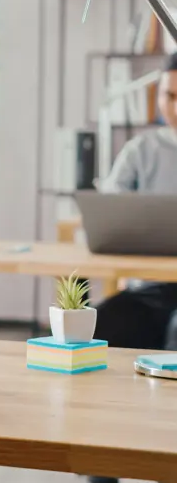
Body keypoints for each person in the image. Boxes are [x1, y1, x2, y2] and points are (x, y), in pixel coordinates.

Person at [87, 54, 177, 483]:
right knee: (97, 327)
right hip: (150, 291)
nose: (174, 107)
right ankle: (99, 468)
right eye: (168, 96)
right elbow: (111, 209)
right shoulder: (141, 149)